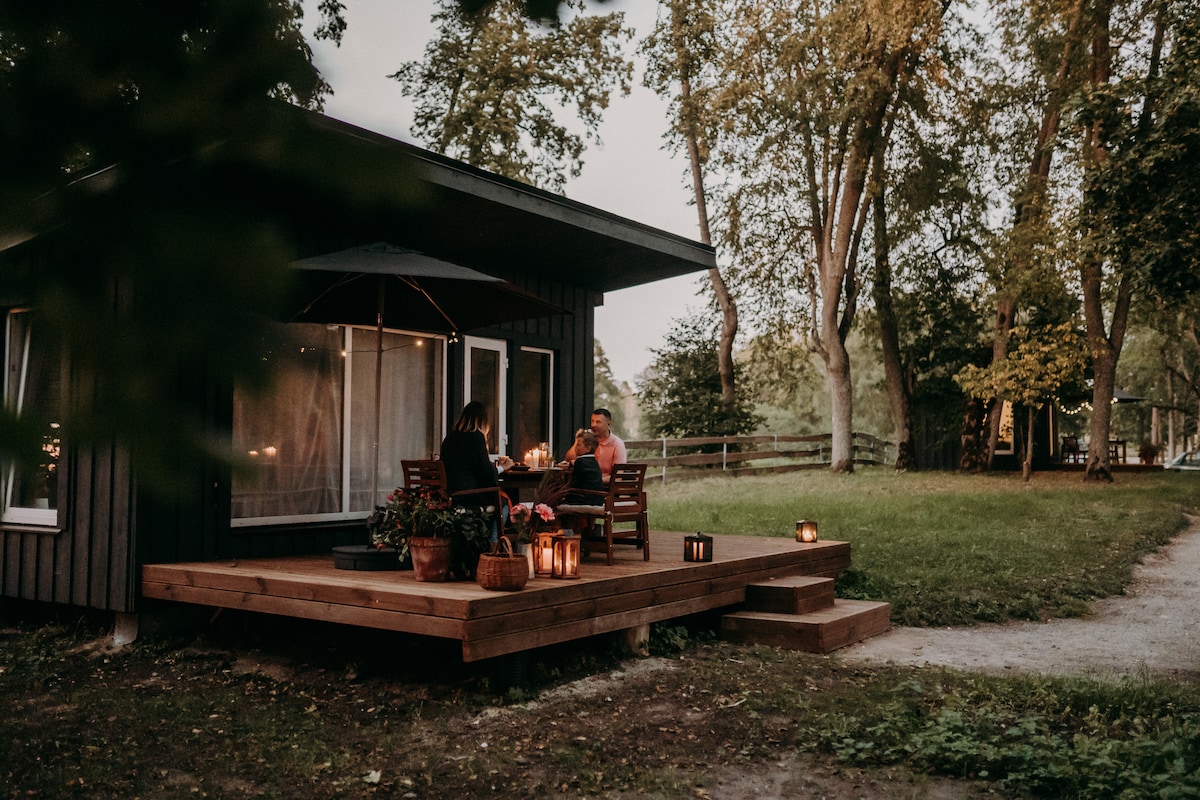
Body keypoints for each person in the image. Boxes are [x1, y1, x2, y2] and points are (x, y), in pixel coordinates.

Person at [563, 407, 627, 481]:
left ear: (608, 424)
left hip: (603, 487)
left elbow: (618, 476)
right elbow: (568, 459)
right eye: (592, 421)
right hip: (585, 483)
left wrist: (595, 480)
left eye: (598, 422)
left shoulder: (617, 444)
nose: (593, 425)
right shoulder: (588, 437)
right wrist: (578, 440)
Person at [563, 429, 604, 503]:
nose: (576, 447)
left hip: (583, 499)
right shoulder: (594, 462)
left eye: (578, 445)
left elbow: (573, 483)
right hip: (597, 499)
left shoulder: (580, 461)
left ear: (588, 448)